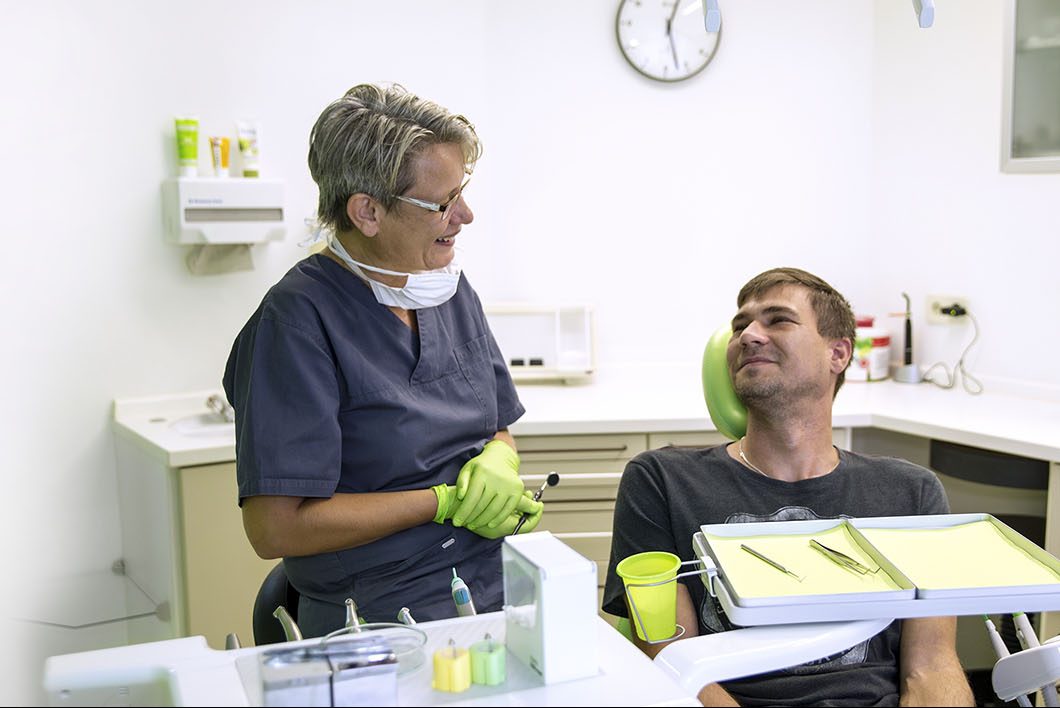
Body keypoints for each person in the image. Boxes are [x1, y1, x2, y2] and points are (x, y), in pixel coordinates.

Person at [223, 83, 542, 638]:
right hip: (379, 620)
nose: (465, 214)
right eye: (443, 203)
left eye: (461, 191)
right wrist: (440, 504)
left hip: (497, 582)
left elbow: (497, 427)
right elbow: (274, 530)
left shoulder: (444, 287)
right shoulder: (297, 323)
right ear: (367, 212)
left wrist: (499, 461)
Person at [602, 267, 973, 706]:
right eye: (741, 326)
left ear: (838, 354)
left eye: (778, 320)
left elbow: (932, 666)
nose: (747, 336)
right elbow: (670, 655)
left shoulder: (911, 494)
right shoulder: (663, 480)